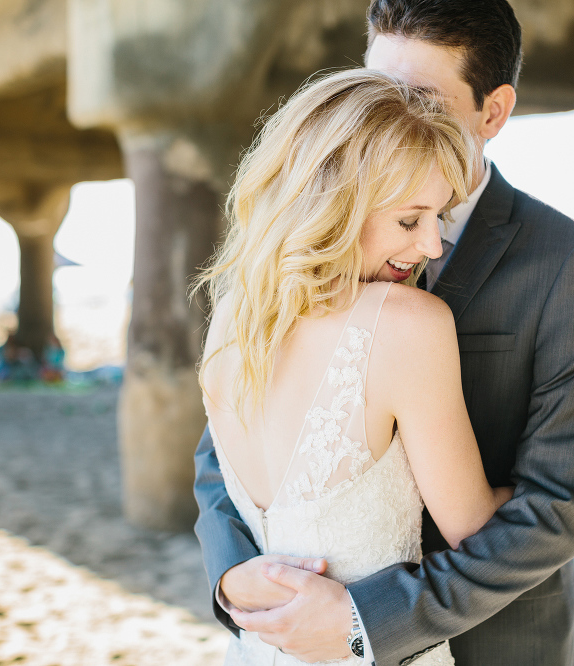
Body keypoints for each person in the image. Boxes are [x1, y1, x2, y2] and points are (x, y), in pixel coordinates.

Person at [194, 1, 574, 664]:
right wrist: (232, 582)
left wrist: (366, 619)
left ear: (495, 111)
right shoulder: (268, 289)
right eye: (375, 86)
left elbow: (555, 511)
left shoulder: (569, 264)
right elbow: (217, 458)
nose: (389, 112)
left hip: (501, 642)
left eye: (418, 95)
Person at [194, 69, 514, 665]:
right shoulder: (409, 323)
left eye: (437, 219)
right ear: (336, 206)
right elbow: (476, 529)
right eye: (408, 220)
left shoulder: (232, 318)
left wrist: (229, 580)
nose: (431, 247)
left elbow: (214, 484)